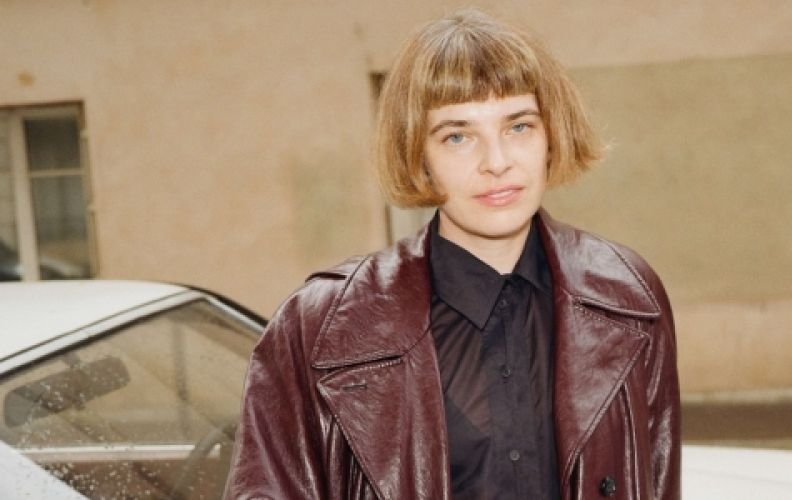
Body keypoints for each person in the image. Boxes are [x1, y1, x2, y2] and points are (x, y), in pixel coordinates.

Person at [225, 9, 680, 500]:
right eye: (457, 136)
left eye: (519, 126)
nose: (497, 162)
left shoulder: (628, 296)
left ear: (551, 134)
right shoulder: (318, 326)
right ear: (418, 154)